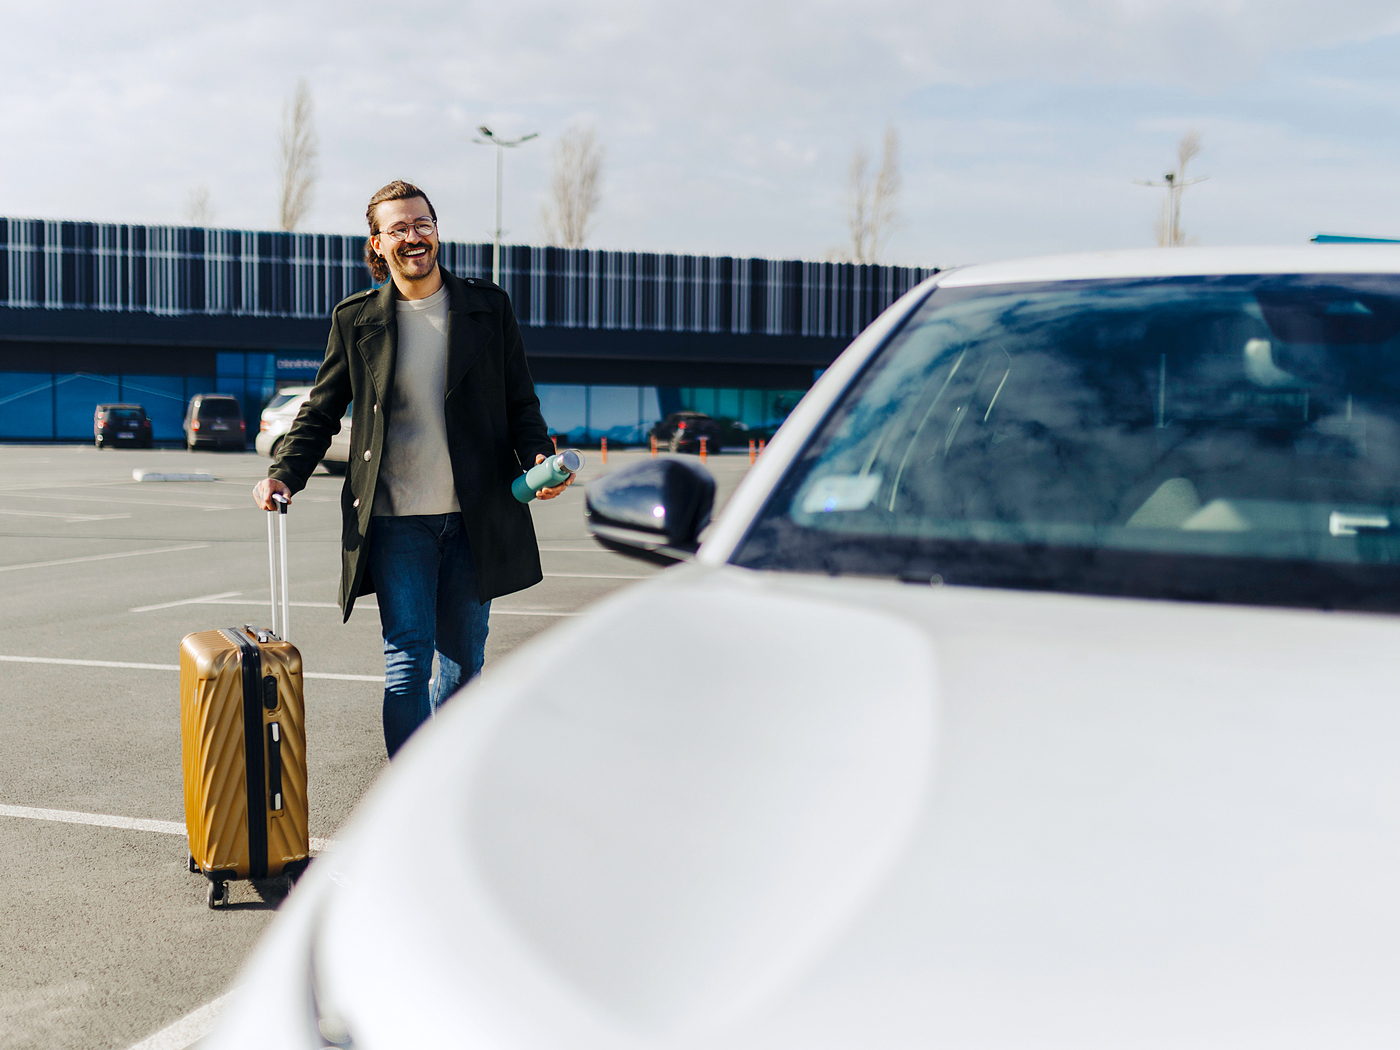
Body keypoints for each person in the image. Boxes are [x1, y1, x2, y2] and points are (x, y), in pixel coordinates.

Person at [252, 180, 570, 757]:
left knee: (463, 661)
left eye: (421, 223)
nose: (413, 236)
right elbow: (321, 409)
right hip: (397, 522)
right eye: (397, 228)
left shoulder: (486, 307)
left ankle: (445, 775)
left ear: (437, 229)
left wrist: (539, 458)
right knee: (406, 660)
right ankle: (406, 791)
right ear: (378, 243)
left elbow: (520, 402)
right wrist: (284, 473)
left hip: (476, 520)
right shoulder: (357, 320)